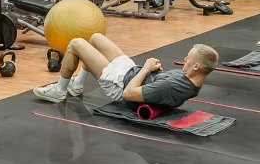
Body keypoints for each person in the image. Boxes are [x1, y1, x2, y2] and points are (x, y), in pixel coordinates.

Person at [32, 33, 218, 108]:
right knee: (96, 38)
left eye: (189, 58)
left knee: (76, 44)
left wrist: (146, 68)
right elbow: (158, 84)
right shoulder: (189, 79)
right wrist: (155, 71)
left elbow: (129, 94)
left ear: (197, 67)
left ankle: (60, 91)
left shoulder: (172, 86)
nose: (184, 59)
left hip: (119, 84)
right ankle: (77, 86)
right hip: (131, 71)